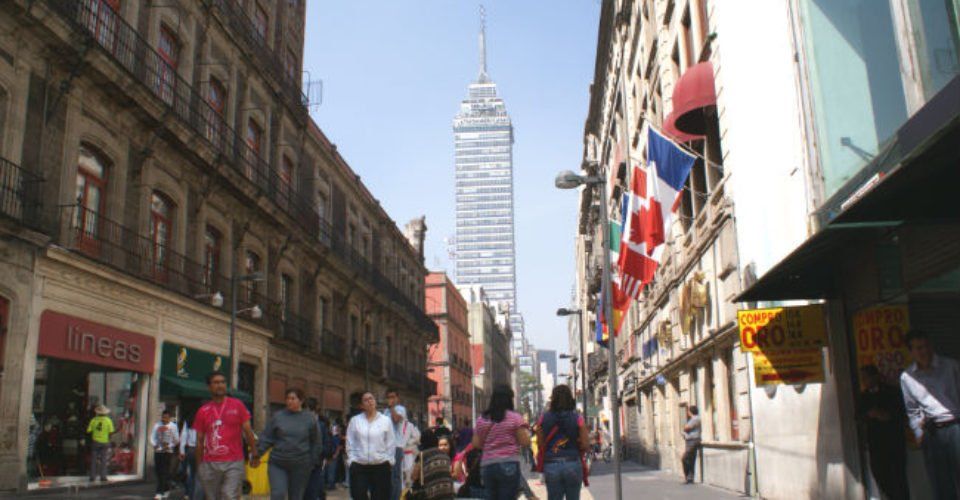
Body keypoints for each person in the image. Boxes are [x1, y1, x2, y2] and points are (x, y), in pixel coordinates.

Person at [899, 330, 960, 500]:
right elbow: (912, 409)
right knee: (940, 482)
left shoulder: (951, 367)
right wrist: (919, 433)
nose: (923, 351)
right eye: (918, 348)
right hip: (932, 432)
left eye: (925, 346)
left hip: (956, 426)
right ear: (911, 352)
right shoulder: (907, 377)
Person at [194, 371, 260, 500]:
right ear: (209, 387)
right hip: (210, 463)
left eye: (223, 382)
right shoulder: (203, 411)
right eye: (216, 382)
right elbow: (199, 440)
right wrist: (199, 466)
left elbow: (248, 431)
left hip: (234, 461)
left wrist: (254, 453)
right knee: (212, 497)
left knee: (229, 495)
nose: (220, 385)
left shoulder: (237, 405)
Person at [858, 365, 910, 500]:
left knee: (898, 477)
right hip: (876, 443)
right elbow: (858, 416)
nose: (864, 381)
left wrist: (888, 415)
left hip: (894, 440)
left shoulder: (892, 392)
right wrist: (869, 415)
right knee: (880, 474)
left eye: (866, 378)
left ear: (875, 377)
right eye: (862, 379)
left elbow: (903, 412)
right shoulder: (864, 396)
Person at [256, 388, 317, 500]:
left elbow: (316, 442)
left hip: (300, 465)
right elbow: (267, 437)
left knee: (296, 497)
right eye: (287, 399)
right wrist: (257, 454)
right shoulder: (278, 417)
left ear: (301, 401)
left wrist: (313, 461)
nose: (289, 401)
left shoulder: (309, 419)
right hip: (278, 463)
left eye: (293, 399)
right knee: (278, 494)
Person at [472, 384, 530, 500]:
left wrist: (491, 443)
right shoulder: (515, 418)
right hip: (508, 463)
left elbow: (476, 444)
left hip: (488, 465)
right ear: (509, 399)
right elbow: (525, 441)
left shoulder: (482, 419)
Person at [536, 385, 588, 500]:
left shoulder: (543, 418)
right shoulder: (578, 418)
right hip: (573, 463)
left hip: (551, 464)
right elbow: (585, 444)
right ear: (570, 398)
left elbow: (540, 443)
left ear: (553, 399)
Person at [346, 392, 394, 500]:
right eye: (366, 400)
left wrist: (389, 461)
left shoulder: (385, 420)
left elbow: (390, 443)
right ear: (362, 405)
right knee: (358, 495)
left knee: (381, 497)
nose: (369, 401)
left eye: (371, 398)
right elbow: (350, 442)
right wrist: (351, 460)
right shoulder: (355, 421)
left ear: (375, 401)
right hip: (359, 465)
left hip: (380, 465)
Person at [383, 388, 407, 500]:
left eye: (393, 397)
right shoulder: (386, 411)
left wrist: (392, 407)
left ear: (398, 398)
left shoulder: (401, 409)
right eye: (389, 397)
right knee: (387, 475)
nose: (391, 399)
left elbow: (396, 419)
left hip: (397, 447)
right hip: (386, 447)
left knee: (395, 476)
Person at [150, 409, 180, 499]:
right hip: (158, 451)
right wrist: (154, 444)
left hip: (168, 452)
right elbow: (152, 437)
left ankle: (159, 492)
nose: (164, 419)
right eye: (163, 417)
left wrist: (170, 446)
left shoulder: (173, 426)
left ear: (169, 418)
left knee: (165, 472)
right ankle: (166, 489)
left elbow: (176, 439)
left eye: (166, 418)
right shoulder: (157, 425)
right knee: (159, 471)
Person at [86, 404, 114, 482]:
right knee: (104, 460)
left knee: (93, 460)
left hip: (95, 441)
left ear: (97, 413)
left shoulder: (93, 420)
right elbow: (111, 432)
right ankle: (103, 477)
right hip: (105, 442)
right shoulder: (108, 420)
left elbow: (88, 431)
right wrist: (108, 439)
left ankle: (92, 477)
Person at [179, 414, 204, 500]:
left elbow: (183, 436)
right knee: (200, 474)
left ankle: (190, 494)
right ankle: (198, 496)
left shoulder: (188, 422)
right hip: (201, 449)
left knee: (191, 474)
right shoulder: (203, 421)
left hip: (190, 449)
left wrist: (182, 451)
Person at [681, 406, 701, 484]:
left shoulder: (695, 419)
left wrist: (684, 429)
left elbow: (686, 428)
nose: (687, 413)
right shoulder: (693, 419)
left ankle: (688, 476)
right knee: (691, 459)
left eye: (688, 411)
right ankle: (690, 477)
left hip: (692, 440)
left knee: (684, 458)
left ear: (690, 412)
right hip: (690, 440)